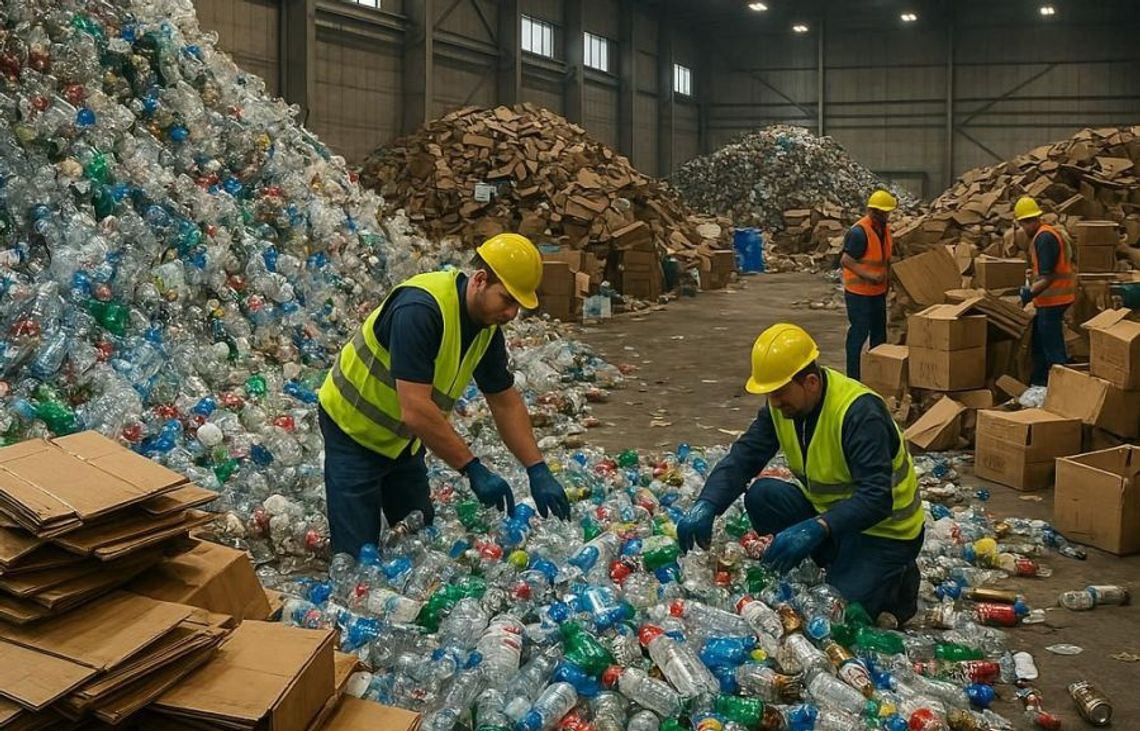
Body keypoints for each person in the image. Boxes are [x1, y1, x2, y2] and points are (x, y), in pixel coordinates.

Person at [317, 233, 571, 557]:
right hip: (353, 430)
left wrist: (537, 468)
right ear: (480, 280)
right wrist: (472, 468)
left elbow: (505, 402)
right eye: (507, 300)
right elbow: (415, 409)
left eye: (518, 305)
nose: (511, 314)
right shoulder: (420, 310)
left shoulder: (486, 329)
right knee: (358, 556)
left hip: (402, 443)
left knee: (419, 543)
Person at [675, 323, 924, 624]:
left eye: (779, 393)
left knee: (836, 613)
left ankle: (898, 579)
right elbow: (744, 456)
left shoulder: (859, 413)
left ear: (811, 382)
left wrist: (817, 527)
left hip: (885, 532)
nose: (774, 402)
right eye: (770, 394)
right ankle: (837, 559)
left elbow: (876, 498)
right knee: (762, 496)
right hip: (834, 519)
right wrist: (708, 503)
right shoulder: (783, 407)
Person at [1014, 196, 1075, 386]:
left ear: (1028, 221)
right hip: (1050, 301)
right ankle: (1039, 384)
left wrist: (1028, 293)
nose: (1023, 229)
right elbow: (1046, 270)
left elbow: (1048, 278)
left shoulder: (1044, 238)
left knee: (1052, 349)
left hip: (1054, 300)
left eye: (1023, 224)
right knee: (1040, 345)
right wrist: (1033, 274)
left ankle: (1063, 388)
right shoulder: (1045, 234)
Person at [840, 190, 898, 379]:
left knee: (879, 336)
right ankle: (853, 377)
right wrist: (870, 275)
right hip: (859, 294)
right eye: (883, 213)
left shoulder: (884, 230)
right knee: (859, 334)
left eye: (887, 213)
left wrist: (887, 282)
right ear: (873, 211)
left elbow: (885, 260)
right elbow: (846, 260)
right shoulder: (859, 233)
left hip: (877, 293)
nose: (886, 216)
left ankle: (876, 375)